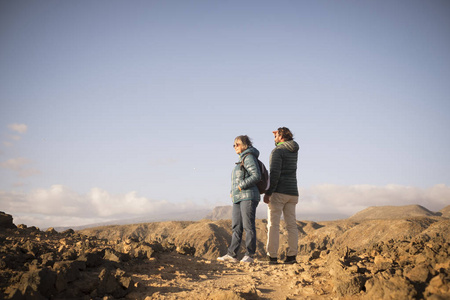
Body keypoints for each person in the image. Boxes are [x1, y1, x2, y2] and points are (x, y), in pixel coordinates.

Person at [218, 135, 261, 263]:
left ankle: (249, 255)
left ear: (245, 145)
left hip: (248, 196)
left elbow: (256, 175)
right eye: (234, 145)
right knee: (236, 226)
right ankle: (232, 255)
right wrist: (233, 191)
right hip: (238, 197)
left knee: (248, 226)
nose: (235, 147)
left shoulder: (249, 157)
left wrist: (241, 186)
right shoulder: (241, 159)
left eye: (238, 144)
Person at [263, 127, 299, 264]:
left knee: (273, 225)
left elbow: (275, 173)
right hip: (293, 192)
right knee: (291, 225)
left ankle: (272, 256)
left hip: (279, 192)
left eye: (276, 136)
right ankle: (292, 256)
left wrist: (268, 192)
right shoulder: (294, 150)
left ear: (281, 137)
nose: (274, 139)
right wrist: (279, 134)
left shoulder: (278, 151)